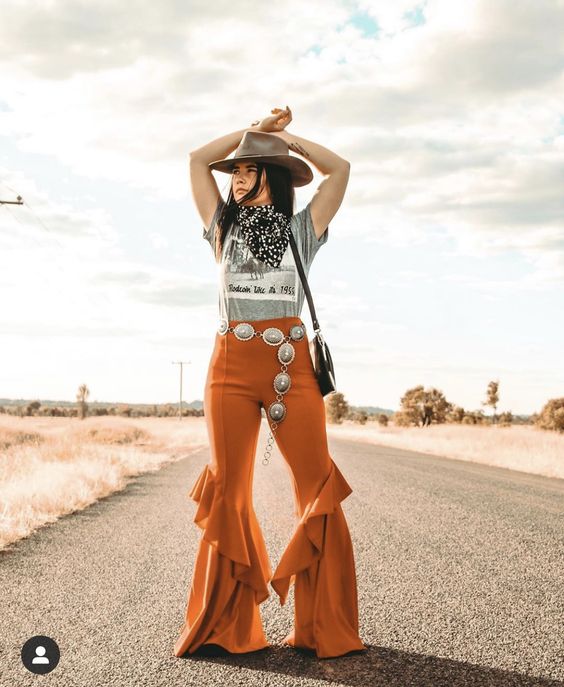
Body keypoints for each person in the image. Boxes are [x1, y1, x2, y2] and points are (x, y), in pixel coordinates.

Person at [173, 106, 366, 660]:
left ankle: (322, 628)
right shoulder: (222, 228)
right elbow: (196, 159)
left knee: (316, 485)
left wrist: (284, 142)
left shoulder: (303, 229)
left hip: (291, 368)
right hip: (229, 367)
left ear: (270, 176)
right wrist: (251, 132)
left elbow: (341, 169)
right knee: (229, 491)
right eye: (234, 170)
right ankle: (223, 627)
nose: (233, 175)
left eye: (246, 168)